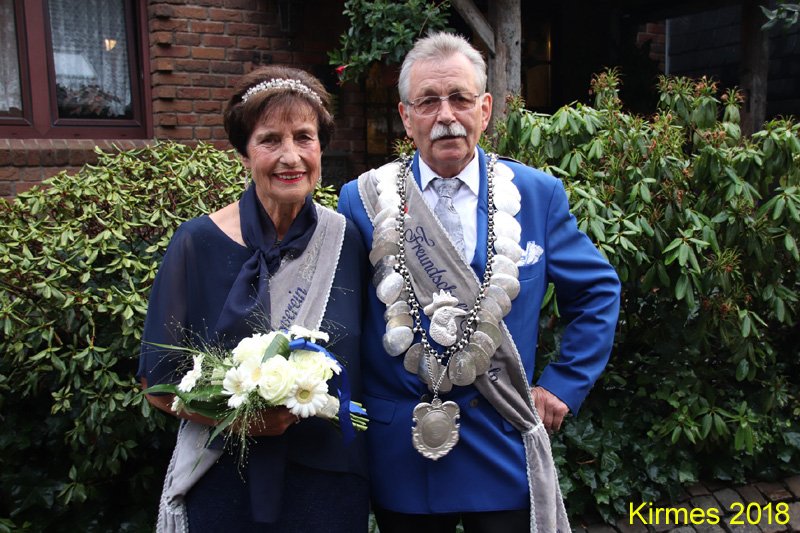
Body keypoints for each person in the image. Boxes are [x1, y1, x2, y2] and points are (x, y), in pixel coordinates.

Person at [337, 32, 620, 532]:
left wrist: (563, 384)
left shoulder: (536, 194)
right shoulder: (363, 201)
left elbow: (596, 291)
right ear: (406, 117)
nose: (446, 115)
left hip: (500, 438)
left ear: (484, 110)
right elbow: (343, 319)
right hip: (403, 448)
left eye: (460, 99)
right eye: (428, 101)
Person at [138, 66, 369, 533]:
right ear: (244, 152)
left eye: (304, 137)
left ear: (320, 147)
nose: (290, 156)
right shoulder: (196, 243)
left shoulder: (347, 241)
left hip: (330, 483)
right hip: (224, 477)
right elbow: (157, 383)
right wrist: (239, 420)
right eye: (270, 140)